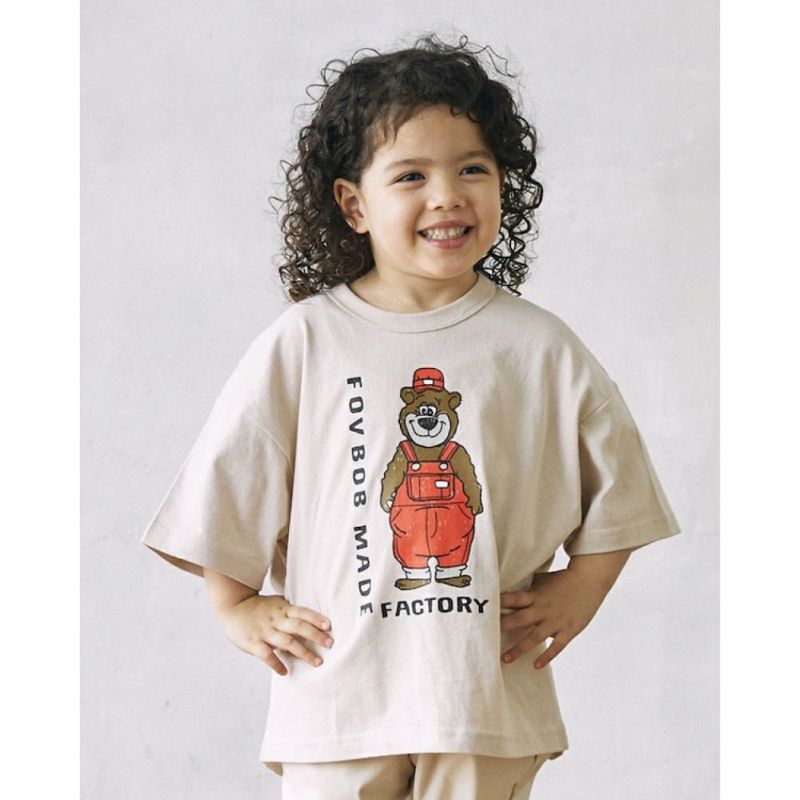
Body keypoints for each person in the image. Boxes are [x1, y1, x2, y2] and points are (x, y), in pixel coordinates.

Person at [141, 33, 681, 800]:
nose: (447, 195)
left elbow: (622, 490)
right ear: (354, 204)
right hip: (337, 699)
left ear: (504, 184)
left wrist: (581, 589)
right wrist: (236, 604)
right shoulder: (307, 341)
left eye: (472, 169)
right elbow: (235, 474)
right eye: (411, 175)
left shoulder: (538, 347)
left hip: (483, 700)